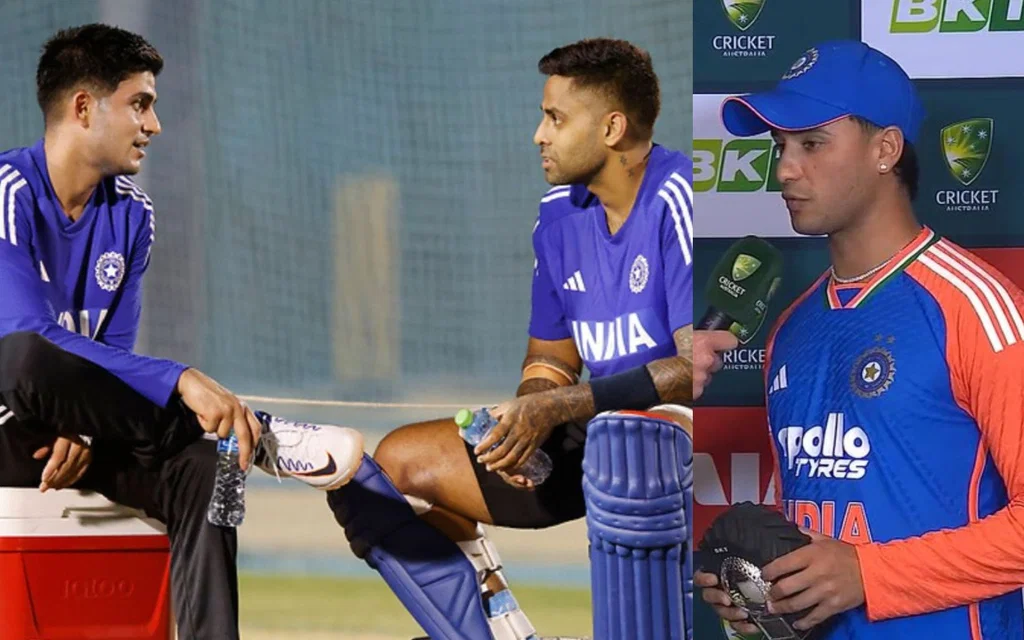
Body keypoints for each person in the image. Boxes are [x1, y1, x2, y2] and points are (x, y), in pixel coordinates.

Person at [0, 24, 364, 639]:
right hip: (5, 419)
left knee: (209, 466)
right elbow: (22, 333)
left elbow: (110, 353)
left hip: (66, 436)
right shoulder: (7, 191)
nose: (154, 124)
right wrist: (181, 379)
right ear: (83, 107)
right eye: (139, 104)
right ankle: (251, 429)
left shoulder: (133, 214)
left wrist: (85, 424)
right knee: (21, 357)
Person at [328, 38, 693, 639]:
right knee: (393, 470)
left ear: (611, 128)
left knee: (631, 439)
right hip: (596, 431)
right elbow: (551, 358)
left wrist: (560, 406)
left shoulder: (680, 196)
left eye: (555, 119)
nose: (538, 135)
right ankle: (501, 631)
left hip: (681, 444)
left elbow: (698, 369)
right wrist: (530, 417)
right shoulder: (558, 214)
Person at [696, 39, 1024, 639]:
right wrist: (760, 591)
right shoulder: (791, 329)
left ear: (885, 150)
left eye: (812, 143)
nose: (785, 169)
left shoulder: (975, 308)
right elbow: (816, 533)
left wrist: (870, 575)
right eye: (780, 146)